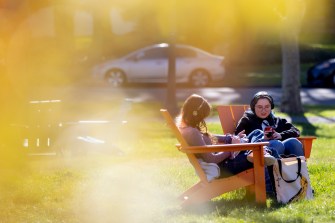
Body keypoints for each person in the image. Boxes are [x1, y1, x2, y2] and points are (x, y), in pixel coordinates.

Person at [176, 94, 274, 194]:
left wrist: (232, 138)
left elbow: (211, 137)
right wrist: (231, 149)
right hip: (222, 167)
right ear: (196, 114)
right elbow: (210, 159)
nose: (203, 119)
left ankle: (263, 153)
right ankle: (269, 191)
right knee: (258, 156)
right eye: (203, 116)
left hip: (223, 162)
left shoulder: (188, 128)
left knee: (256, 133)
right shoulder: (193, 132)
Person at [235, 91, 304, 158]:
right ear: (253, 107)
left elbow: (296, 131)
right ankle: (275, 169)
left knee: (294, 142)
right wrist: (263, 139)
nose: (263, 110)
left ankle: (301, 168)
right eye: (259, 107)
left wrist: (280, 135)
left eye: (267, 107)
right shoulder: (247, 120)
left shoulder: (277, 121)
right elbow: (237, 138)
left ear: (271, 107)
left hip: (279, 149)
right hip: (257, 152)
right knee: (277, 144)